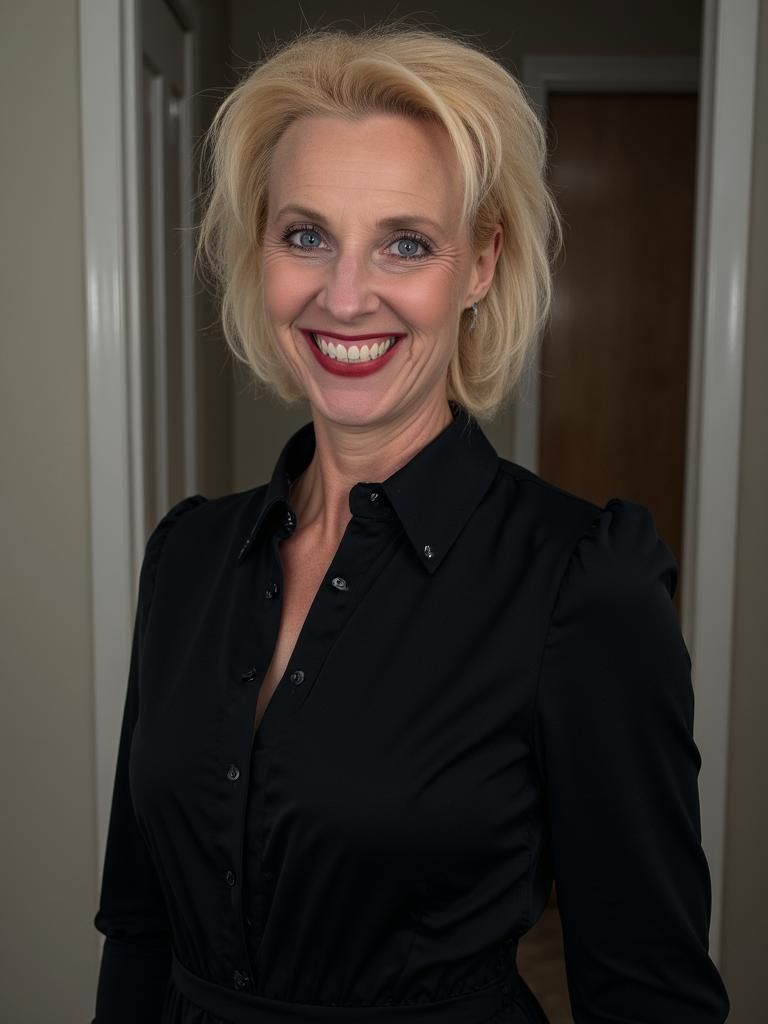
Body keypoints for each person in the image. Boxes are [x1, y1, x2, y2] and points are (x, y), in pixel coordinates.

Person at [92, 23, 730, 1024]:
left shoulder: (579, 584)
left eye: (406, 242)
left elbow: (648, 994)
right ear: (260, 251)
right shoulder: (188, 559)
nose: (346, 296)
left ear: (479, 264)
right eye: (306, 235)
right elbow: (138, 930)